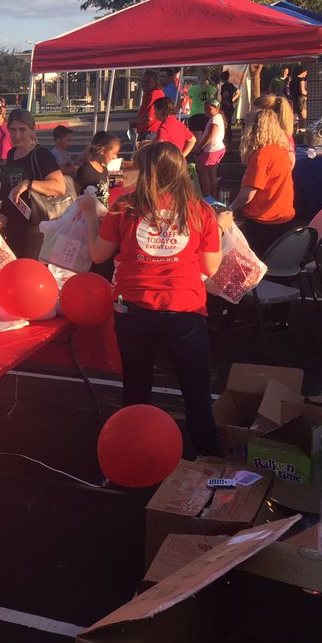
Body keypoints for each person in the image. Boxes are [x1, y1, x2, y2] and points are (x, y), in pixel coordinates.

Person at [84, 142, 222, 458]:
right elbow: (210, 268)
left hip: (132, 308)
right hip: (183, 310)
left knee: (136, 388)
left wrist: (92, 214)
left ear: (147, 173)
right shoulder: (200, 210)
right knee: (196, 395)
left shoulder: (123, 207)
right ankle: (210, 464)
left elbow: (97, 255)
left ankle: (131, 455)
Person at [0, 107, 66, 260]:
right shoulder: (11, 153)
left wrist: (29, 183)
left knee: (27, 272)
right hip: (12, 225)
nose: (17, 135)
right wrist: (3, 213)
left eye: (22, 129)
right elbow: (7, 187)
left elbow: (59, 187)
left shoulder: (41, 154)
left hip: (34, 227)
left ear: (32, 130)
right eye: (13, 129)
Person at [229, 107, 297, 257]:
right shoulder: (280, 150)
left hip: (265, 222)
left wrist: (230, 208)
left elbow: (247, 195)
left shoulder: (262, 155)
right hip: (282, 218)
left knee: (253, 262)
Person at [74, 131, 122, 206]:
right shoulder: (85, 170)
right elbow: (75, 195)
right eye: (113, 153)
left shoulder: (104, 170)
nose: (115, 157)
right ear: (102, 151)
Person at [197, 97, 226, 200]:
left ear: (216, 109)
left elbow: (210, 135)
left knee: (203, 172)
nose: (206, 111)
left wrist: (200, 146)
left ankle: (207, 196)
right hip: (216, 148)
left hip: (212, 149)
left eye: (209, 109)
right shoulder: (217, 117)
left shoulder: (215, 119)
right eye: (205, 109)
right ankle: (213, 195)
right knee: (211, 173)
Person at [133, 70, 165, 134]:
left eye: (148, 82)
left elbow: (149, 117)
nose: (144, 84)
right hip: (147, 132)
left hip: (149, 133)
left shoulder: (154, 94)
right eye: (142, 82)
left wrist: (133, 121)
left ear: (155, 82)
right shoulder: (149, 94)